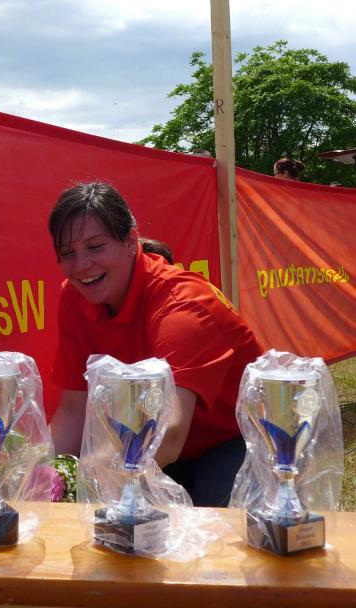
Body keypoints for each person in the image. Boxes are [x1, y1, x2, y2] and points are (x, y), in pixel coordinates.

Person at [48, 181, 264, 507]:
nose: (81, 265)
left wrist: (91, 480)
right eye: (68, 253)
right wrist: (45, 476)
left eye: (95, 247)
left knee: (205, 530)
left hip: (234, 440)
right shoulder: (74, 296)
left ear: (130, 240)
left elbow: (170, 432)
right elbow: (73, 410)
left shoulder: (183, 304)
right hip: (152, 448)